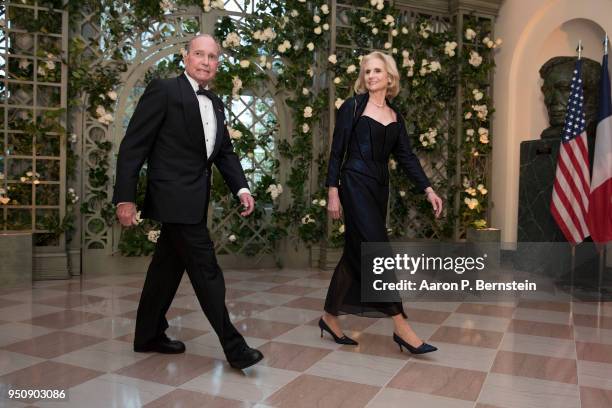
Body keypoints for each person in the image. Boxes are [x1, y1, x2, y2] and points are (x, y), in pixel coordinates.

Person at [112, 34, 263, 369]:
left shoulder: (216, 103)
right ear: (185, 57)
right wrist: (125, 197)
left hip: (194, 199)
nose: (206, 61)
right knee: (207, 270)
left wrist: (242, 189)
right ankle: (234, 347)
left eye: (213, 56)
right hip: (172, 198)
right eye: (199, 54)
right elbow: (133, 146)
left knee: (165, 270)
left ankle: (148, 335)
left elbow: (224, 151)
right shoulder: (164, 90)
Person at [321, 51, 443, 354]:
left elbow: (406, 157)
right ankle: (401, 326)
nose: (371, 76)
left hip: (379, 190)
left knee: (355, 253)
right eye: (367, 71)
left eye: (377, 71)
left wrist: (428, 189)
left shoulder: (396, 116)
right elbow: (337, 151)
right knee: (377, 251)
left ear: (390, 77)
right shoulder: (352, 107)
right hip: (353, 184)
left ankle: (328, 317)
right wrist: (332, 190)